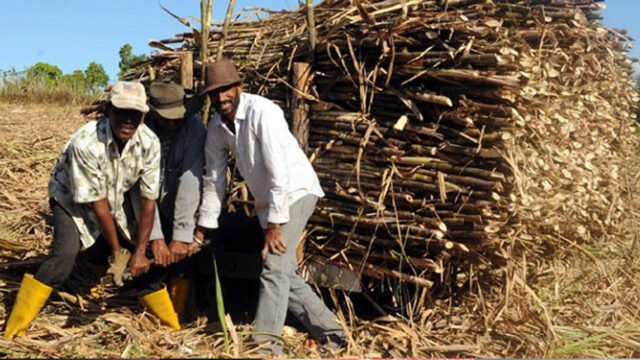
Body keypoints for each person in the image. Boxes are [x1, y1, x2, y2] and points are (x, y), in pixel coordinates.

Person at [4, 81, 179, 339]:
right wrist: (118, 252)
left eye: (135, 114)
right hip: (70, 199)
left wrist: (140, 251)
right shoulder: (86, 143)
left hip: (114, 198)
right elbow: (97, 205)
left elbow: (148, 199)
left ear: (144, 116)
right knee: (64, 257)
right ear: (109, 110)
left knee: (140, 262)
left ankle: (170, 329)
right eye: (121, 111)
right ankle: (13, 330)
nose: (128, 120)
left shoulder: (149, 143)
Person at [194, 58, 345, 354]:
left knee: (273, 269)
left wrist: (275, 226)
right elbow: (213, 181)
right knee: (284, 273)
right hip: (269, 203)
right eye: (215, 92)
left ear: (238, 87)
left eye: (226, 89)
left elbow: (279, 171)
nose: (221, 97)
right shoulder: (216, 127)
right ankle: (333, 333)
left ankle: (265, 348)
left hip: (295, 192)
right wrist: (202, 230)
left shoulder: (263, 112)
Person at [144, 81, 206, 315]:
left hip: (176, 205)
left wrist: (180, 235)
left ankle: (175, 315)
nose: (173, 124)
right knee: (150, 254)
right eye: (166, 119)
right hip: (142, 206)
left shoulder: (194, 128)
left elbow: (190, 183)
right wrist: (156, 237)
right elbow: (142, 190)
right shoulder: (141, 131)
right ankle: (155, 312)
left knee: (183, 257)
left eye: (177, 117)